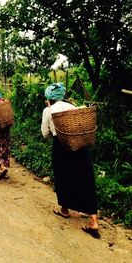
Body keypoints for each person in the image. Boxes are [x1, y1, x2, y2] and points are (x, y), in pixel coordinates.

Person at [41, 83, 100, 239]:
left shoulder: (48, 110)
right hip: (80, 146)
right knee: (86, 179)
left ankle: (65, 209)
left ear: (48, 97)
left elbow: (45, 134)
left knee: (63, 177)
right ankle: (93, 220)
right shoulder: (73, 107)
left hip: (61, 147)